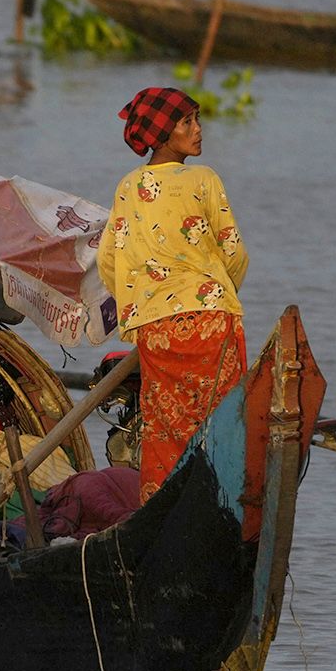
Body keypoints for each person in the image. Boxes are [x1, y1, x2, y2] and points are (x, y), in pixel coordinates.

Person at [98, 87, 248, 503]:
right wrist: (214, 291)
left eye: (198, 120)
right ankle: (224, 510)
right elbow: (233, 251)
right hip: (211, 321)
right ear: (163, 133)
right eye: (188, 122)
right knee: (222, 425)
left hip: (157, 328)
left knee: (164, 429)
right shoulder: (203, 179)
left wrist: (145, 301)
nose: (199, 130)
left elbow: (109, 260)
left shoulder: (129, 186)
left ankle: (161, 512)